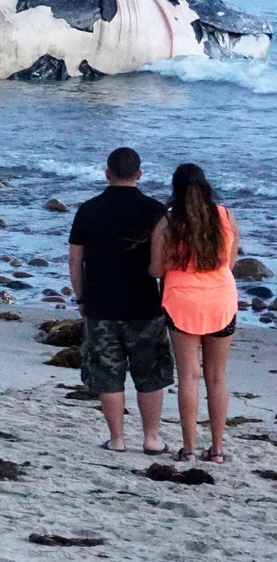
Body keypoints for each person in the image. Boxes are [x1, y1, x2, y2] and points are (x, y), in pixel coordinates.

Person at [69, 147, 172, 454]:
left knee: (108, 373)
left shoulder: (89, 209)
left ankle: (117, 439)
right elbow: (166, 262)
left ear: (106, 173)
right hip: (144, 303)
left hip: (101, 303)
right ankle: (151, 438)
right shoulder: (155, 211)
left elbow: (75, 260)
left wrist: (81, 296)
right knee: (150, 374)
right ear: (139, 175)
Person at [150, 164, 238, 464]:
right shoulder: (225, 216)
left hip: (182, 302)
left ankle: (187, 450)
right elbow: (230, 261)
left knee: (188, 375)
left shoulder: (169, 222)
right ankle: (216, 450)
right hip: (221, 301)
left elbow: (157, 269)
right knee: (217, 376)